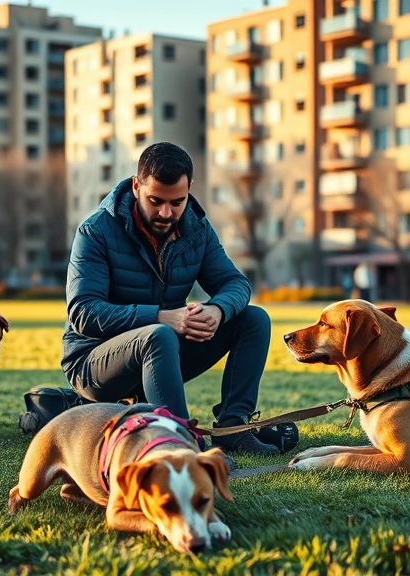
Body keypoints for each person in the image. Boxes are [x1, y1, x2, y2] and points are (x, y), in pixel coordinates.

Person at [61, 142, 279, 455]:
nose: (167, 213)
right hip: (93, 362)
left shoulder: (197, 230)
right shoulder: (95, 232)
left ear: (190, 188)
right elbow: (83, 313)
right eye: (155, 201)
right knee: (159, 334)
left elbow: (234, 283)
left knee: (253, 319)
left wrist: (217, 309)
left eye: (177, 201)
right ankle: (180, 442)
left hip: (162, 352)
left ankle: (233, 426)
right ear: (136, 186)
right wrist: (163, 316)